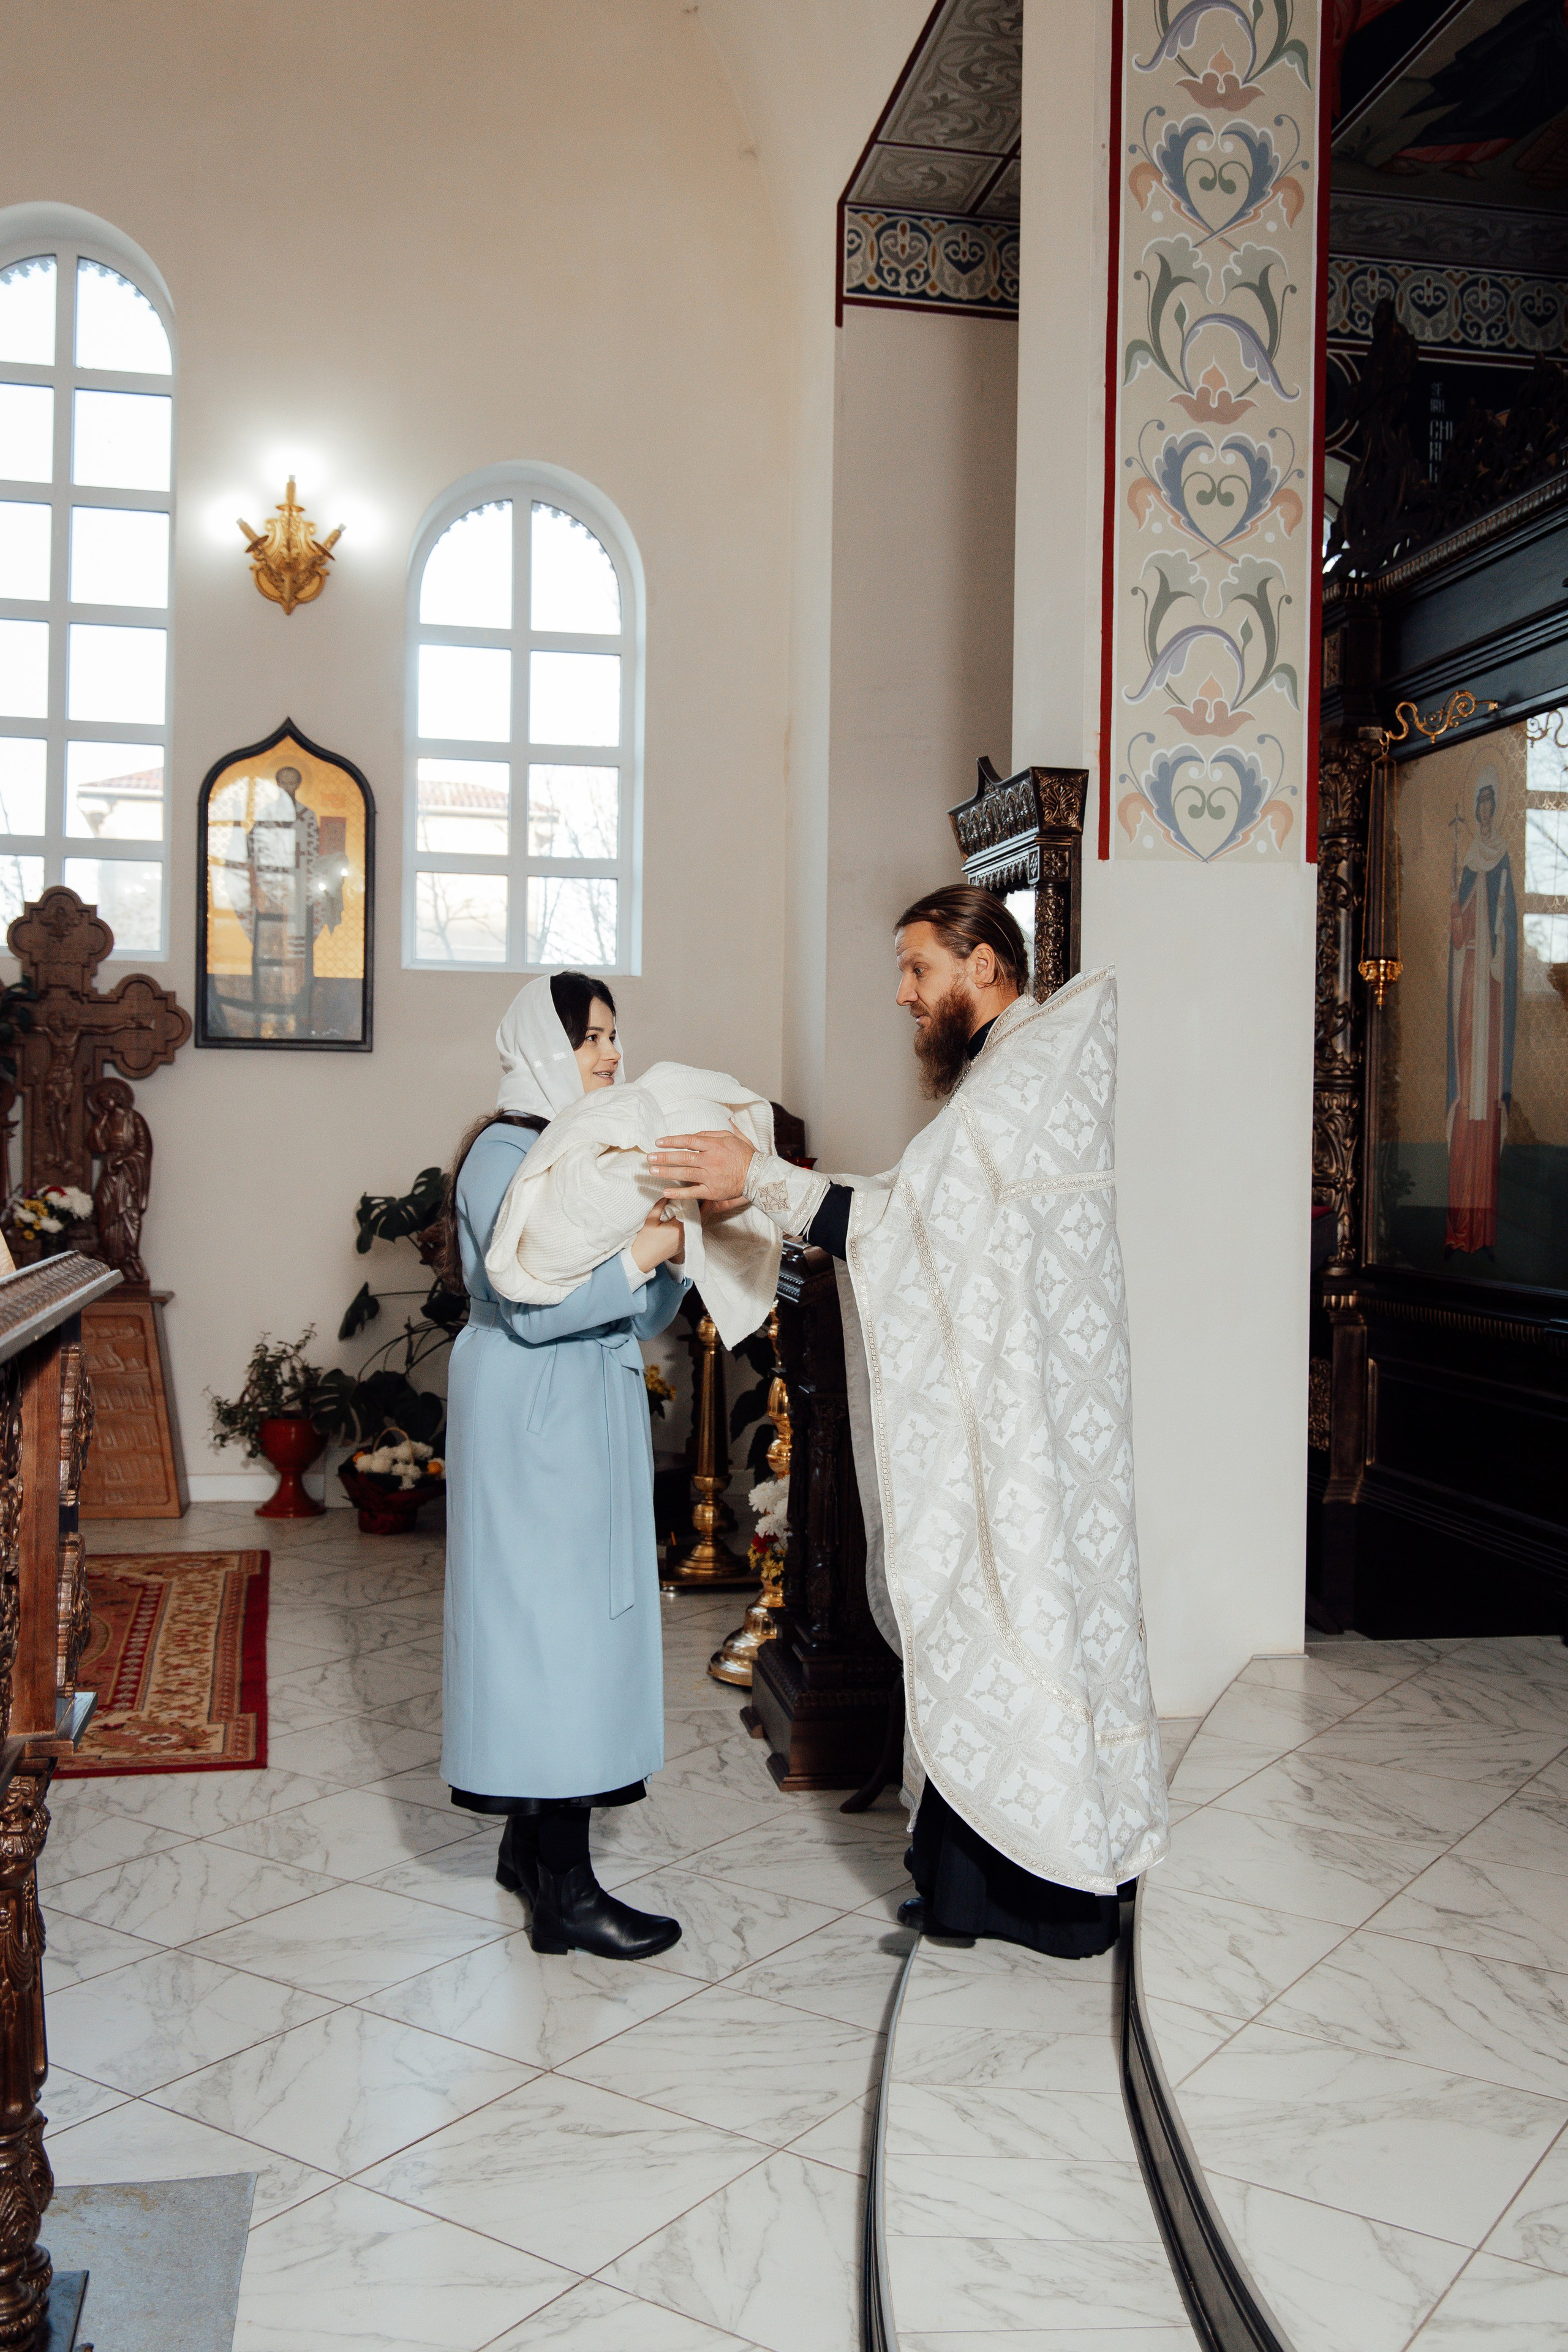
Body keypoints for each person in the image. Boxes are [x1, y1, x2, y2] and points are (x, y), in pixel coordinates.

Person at [650, 886, 1168, 1958]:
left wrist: (763, 1181)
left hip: (1023, 1436)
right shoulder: (1019, 1069)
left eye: (919, 970)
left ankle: (1041, 1895)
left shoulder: (1017, 1078)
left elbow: (896, 1224)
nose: (903, 994)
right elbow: (916, 1216)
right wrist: (774, 1191)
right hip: (1032, 1420)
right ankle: (986, 1882)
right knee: (1018, 1623)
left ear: (985, 965)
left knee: (1014, 1618)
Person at [437, 971, 690, 1961]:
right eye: (591, 1039)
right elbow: (535, 1306)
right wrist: (638, 1259)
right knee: (557, 1631)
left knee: (563, 1621)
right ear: (542, 1046)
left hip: (580, 1399)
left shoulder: (578, 1146)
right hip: (537, 1409)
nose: (610, 1056)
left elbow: (635, 1299)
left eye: (614, 1037)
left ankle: (529, 1849)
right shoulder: (506, 1155)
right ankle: (568, 1894)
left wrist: (662, 1259)